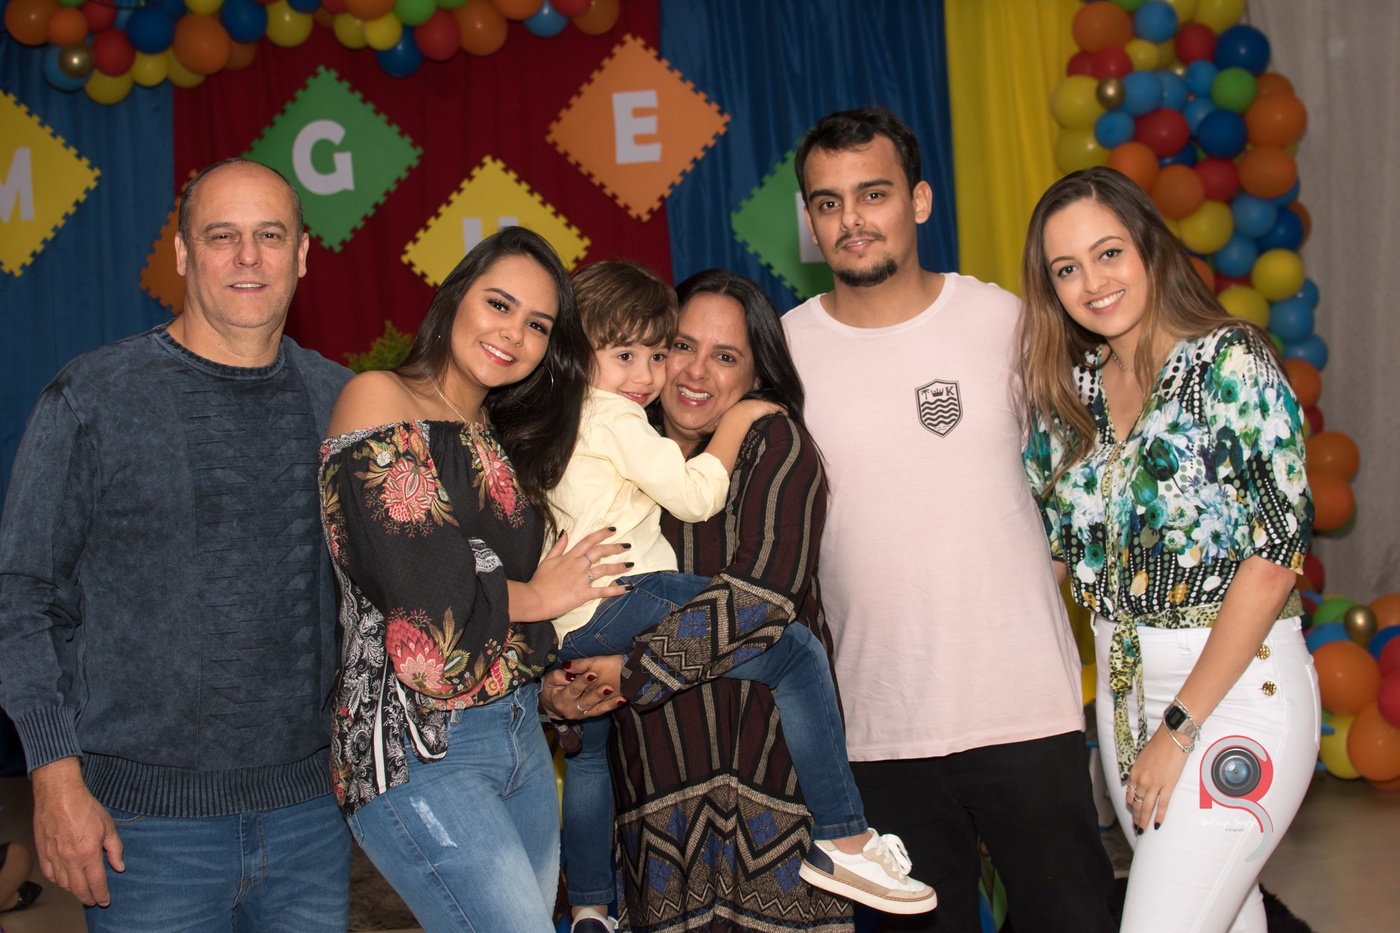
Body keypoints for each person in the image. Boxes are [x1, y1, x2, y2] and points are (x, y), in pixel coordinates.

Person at [780, 107, 1117, 933]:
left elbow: (1090, 468)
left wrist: (1037, 573)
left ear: (920, 200)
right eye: (828, 202)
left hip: (1025, 708)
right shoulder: (780, 353)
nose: (852, 219)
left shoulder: (1005, 322)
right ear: (810, 223)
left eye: (874, 193)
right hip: (876, 727)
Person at [0, 158, 354, 931]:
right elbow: (20, 597)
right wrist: (53, 778)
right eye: (221, 236)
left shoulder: (343, 401)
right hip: (145, 835)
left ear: (301, 254)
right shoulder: (92, 397)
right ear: (184, 254)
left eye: (270, 235)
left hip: (310, 820)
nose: (248, 256)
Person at [551, 262, 934, 930]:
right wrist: (559, 693)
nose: (695, 371)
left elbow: (761, 602)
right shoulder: (612, 452)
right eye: (680, 346)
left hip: (769, 805)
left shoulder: (774, 444)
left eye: (725, 356)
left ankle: (845, 843)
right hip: (654, 815)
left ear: (757, 375)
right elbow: (551, 589)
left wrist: (627, 670)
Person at [1019, 166, 1319, 932]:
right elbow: (1050, 552)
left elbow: (1275, 555)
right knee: (1225, 912)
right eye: (1066, 269)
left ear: (1149, 246)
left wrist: (1180, 726)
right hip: (1123, 699)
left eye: (1108, 252)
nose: (1093, 282)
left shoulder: (1229, 362)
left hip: (1234, 692)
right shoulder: (1071, 392)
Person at [320, 225, 629, 933]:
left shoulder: (496, 432)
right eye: (499, 304)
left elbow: (498, 590)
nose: (514, 333)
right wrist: (543, 595)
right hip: (420, 744)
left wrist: (544, 684)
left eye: (538, 324)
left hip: (520, 733)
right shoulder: (378, 397)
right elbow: (428, 594)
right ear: (456, 296)